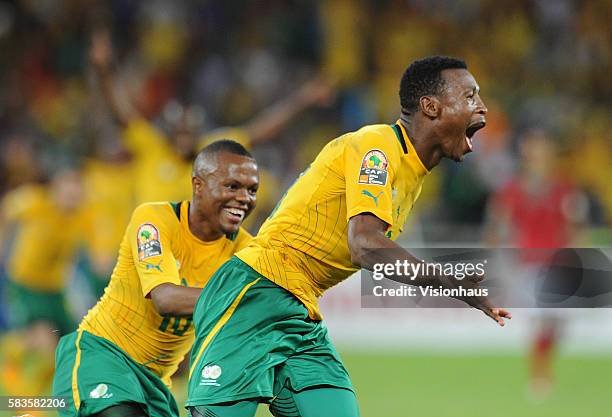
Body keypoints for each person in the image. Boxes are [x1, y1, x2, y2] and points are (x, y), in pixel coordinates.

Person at [185, 56, 511, 417]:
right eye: (470, 96)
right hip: (254, 291)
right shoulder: (377, 147)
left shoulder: (412, 173)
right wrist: (449, 282)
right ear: (430, 107)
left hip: (298, 309)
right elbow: (366, 246)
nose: (481, 107)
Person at [52, 140, 259, 417]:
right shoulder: (154, 219)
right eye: (232, 186)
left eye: (252, 190)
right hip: (101, 355)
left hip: (154, 385)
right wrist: (246, 297)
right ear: (198, 185)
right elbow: (166, 298)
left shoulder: (247, 251)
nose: (244, 197)